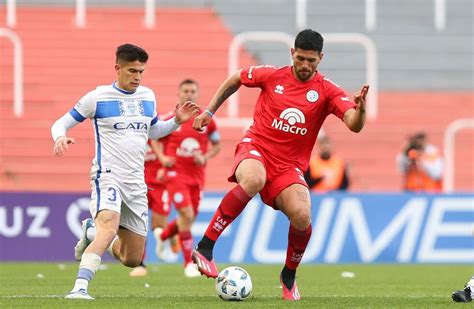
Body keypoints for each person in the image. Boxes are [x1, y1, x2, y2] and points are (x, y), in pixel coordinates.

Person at [191, 29, 369, 301]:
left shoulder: (327, 90)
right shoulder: (273, 75)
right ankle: (205, 246)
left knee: (303, 216)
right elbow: (237, 77)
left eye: (311, 60)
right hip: (256, 148)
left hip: (288, 168)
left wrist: (361, 109)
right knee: (253, 179)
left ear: (321, 58)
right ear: (292, 54)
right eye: (300, 58)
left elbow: (353, 124)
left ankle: (288, 275)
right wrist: (209, 111)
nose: (305, 65)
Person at [51, 43, 199, 300]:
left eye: (141, 71)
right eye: (132, 71)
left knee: (132, 258)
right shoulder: (97, 97)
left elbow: (152, 131)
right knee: (109, 226)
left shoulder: (147, 97)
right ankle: (80, 288)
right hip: (107, 175)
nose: (137, 77)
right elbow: (61, 122)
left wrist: (175, 122)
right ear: (117, 68)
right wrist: (60, 137)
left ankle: (91, 232)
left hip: (136, 182)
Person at [155, 79, 221, 277]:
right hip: (175, 174)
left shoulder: (207, 120)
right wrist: (162, 158)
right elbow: (154, 139)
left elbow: (217, 146)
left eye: (193, 91)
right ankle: (188, 264)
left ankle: (164, 235)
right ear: (179, 94)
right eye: (185, 91)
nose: (189, 94)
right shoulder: (171, 118)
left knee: (188, 217)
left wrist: (205, 156)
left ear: (198, 94)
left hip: (196, 177)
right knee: (187, 215)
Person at [128, 138, 169, 277]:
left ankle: (166, 236)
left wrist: (164, 168)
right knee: (141, 224)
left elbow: (171, 154)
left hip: (160, 185)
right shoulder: (134, 135)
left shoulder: (162, 135)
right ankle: (140, 263)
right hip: (140, 185)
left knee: (158, 226)